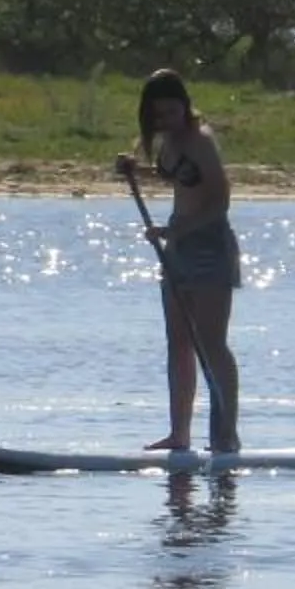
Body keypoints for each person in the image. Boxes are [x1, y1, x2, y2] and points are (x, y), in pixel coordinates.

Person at [115, 69, 242, 454]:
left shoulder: (201, 141)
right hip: (177, 251)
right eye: (158, 115)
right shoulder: (164, 142)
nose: (166, 121)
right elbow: (180, 179)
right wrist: (135, 172)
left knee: (211, 344)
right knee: (179, 344)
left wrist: (177, 231)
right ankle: (179, 435)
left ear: (185, 107)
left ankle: (226, 435)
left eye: (172, 112)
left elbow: (220, 201)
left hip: (209, 248)